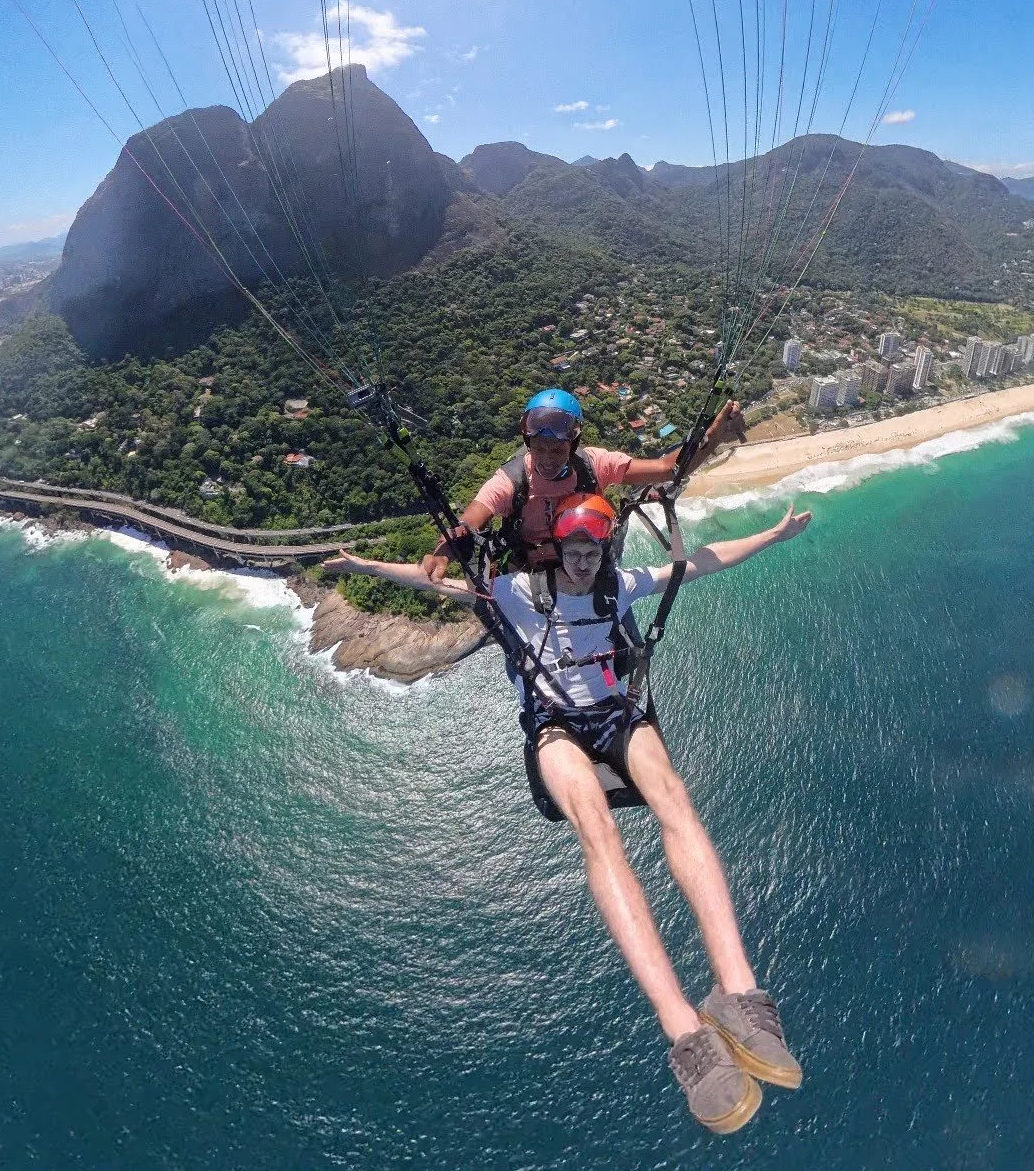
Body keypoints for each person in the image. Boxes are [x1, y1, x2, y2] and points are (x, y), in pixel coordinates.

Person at [328, 485, 812, 1136]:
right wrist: (362, 569)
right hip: (555, 726)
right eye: (576, 548)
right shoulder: (521, 593)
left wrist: (769, 537)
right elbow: (438, 585)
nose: (584, 561)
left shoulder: (620, 585)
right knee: (598, 828)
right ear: (561, 548)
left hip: (616, 714)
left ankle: (738, 994)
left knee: (675, 800)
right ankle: (685, 1033)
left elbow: (701, 561)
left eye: (594, 548)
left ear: (605, 548)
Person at [444, 384, 748, 581]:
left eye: (558, 450)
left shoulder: (594, 465)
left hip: (589, 571)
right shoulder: (512, 480)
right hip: (530, 575)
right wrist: (441, 552)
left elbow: (669, 468)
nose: (548, 458)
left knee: (623, 653)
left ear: (573, 446)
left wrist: (717, 430)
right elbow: (471, 519)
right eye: (539, 449)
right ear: (528, 445)